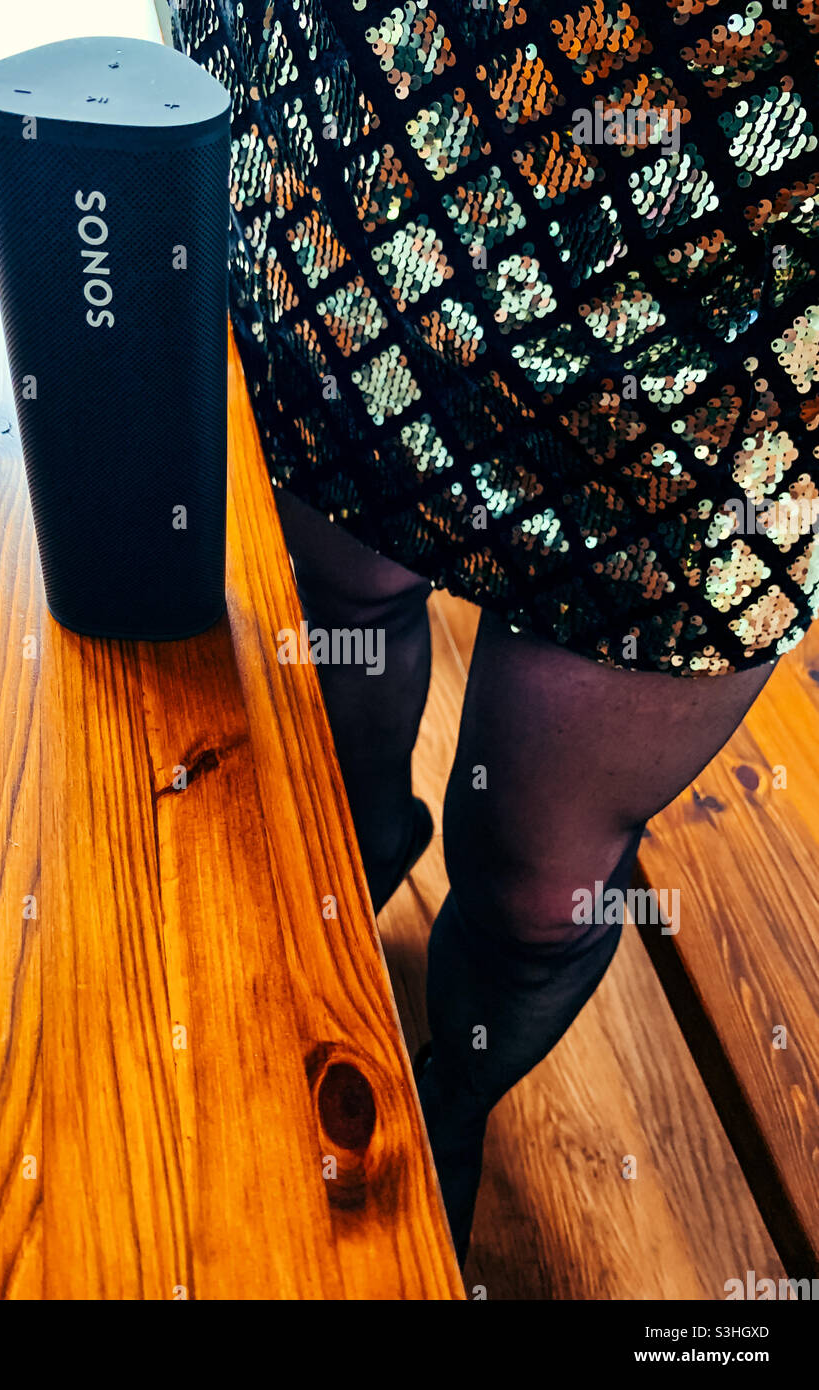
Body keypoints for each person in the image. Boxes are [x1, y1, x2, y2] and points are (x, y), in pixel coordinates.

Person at [180, 0, 819, 1264]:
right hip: (401, 121)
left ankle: (453, 1102)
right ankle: (346, 869)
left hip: (753, 246)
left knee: (542, 893)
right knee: (341, 617)